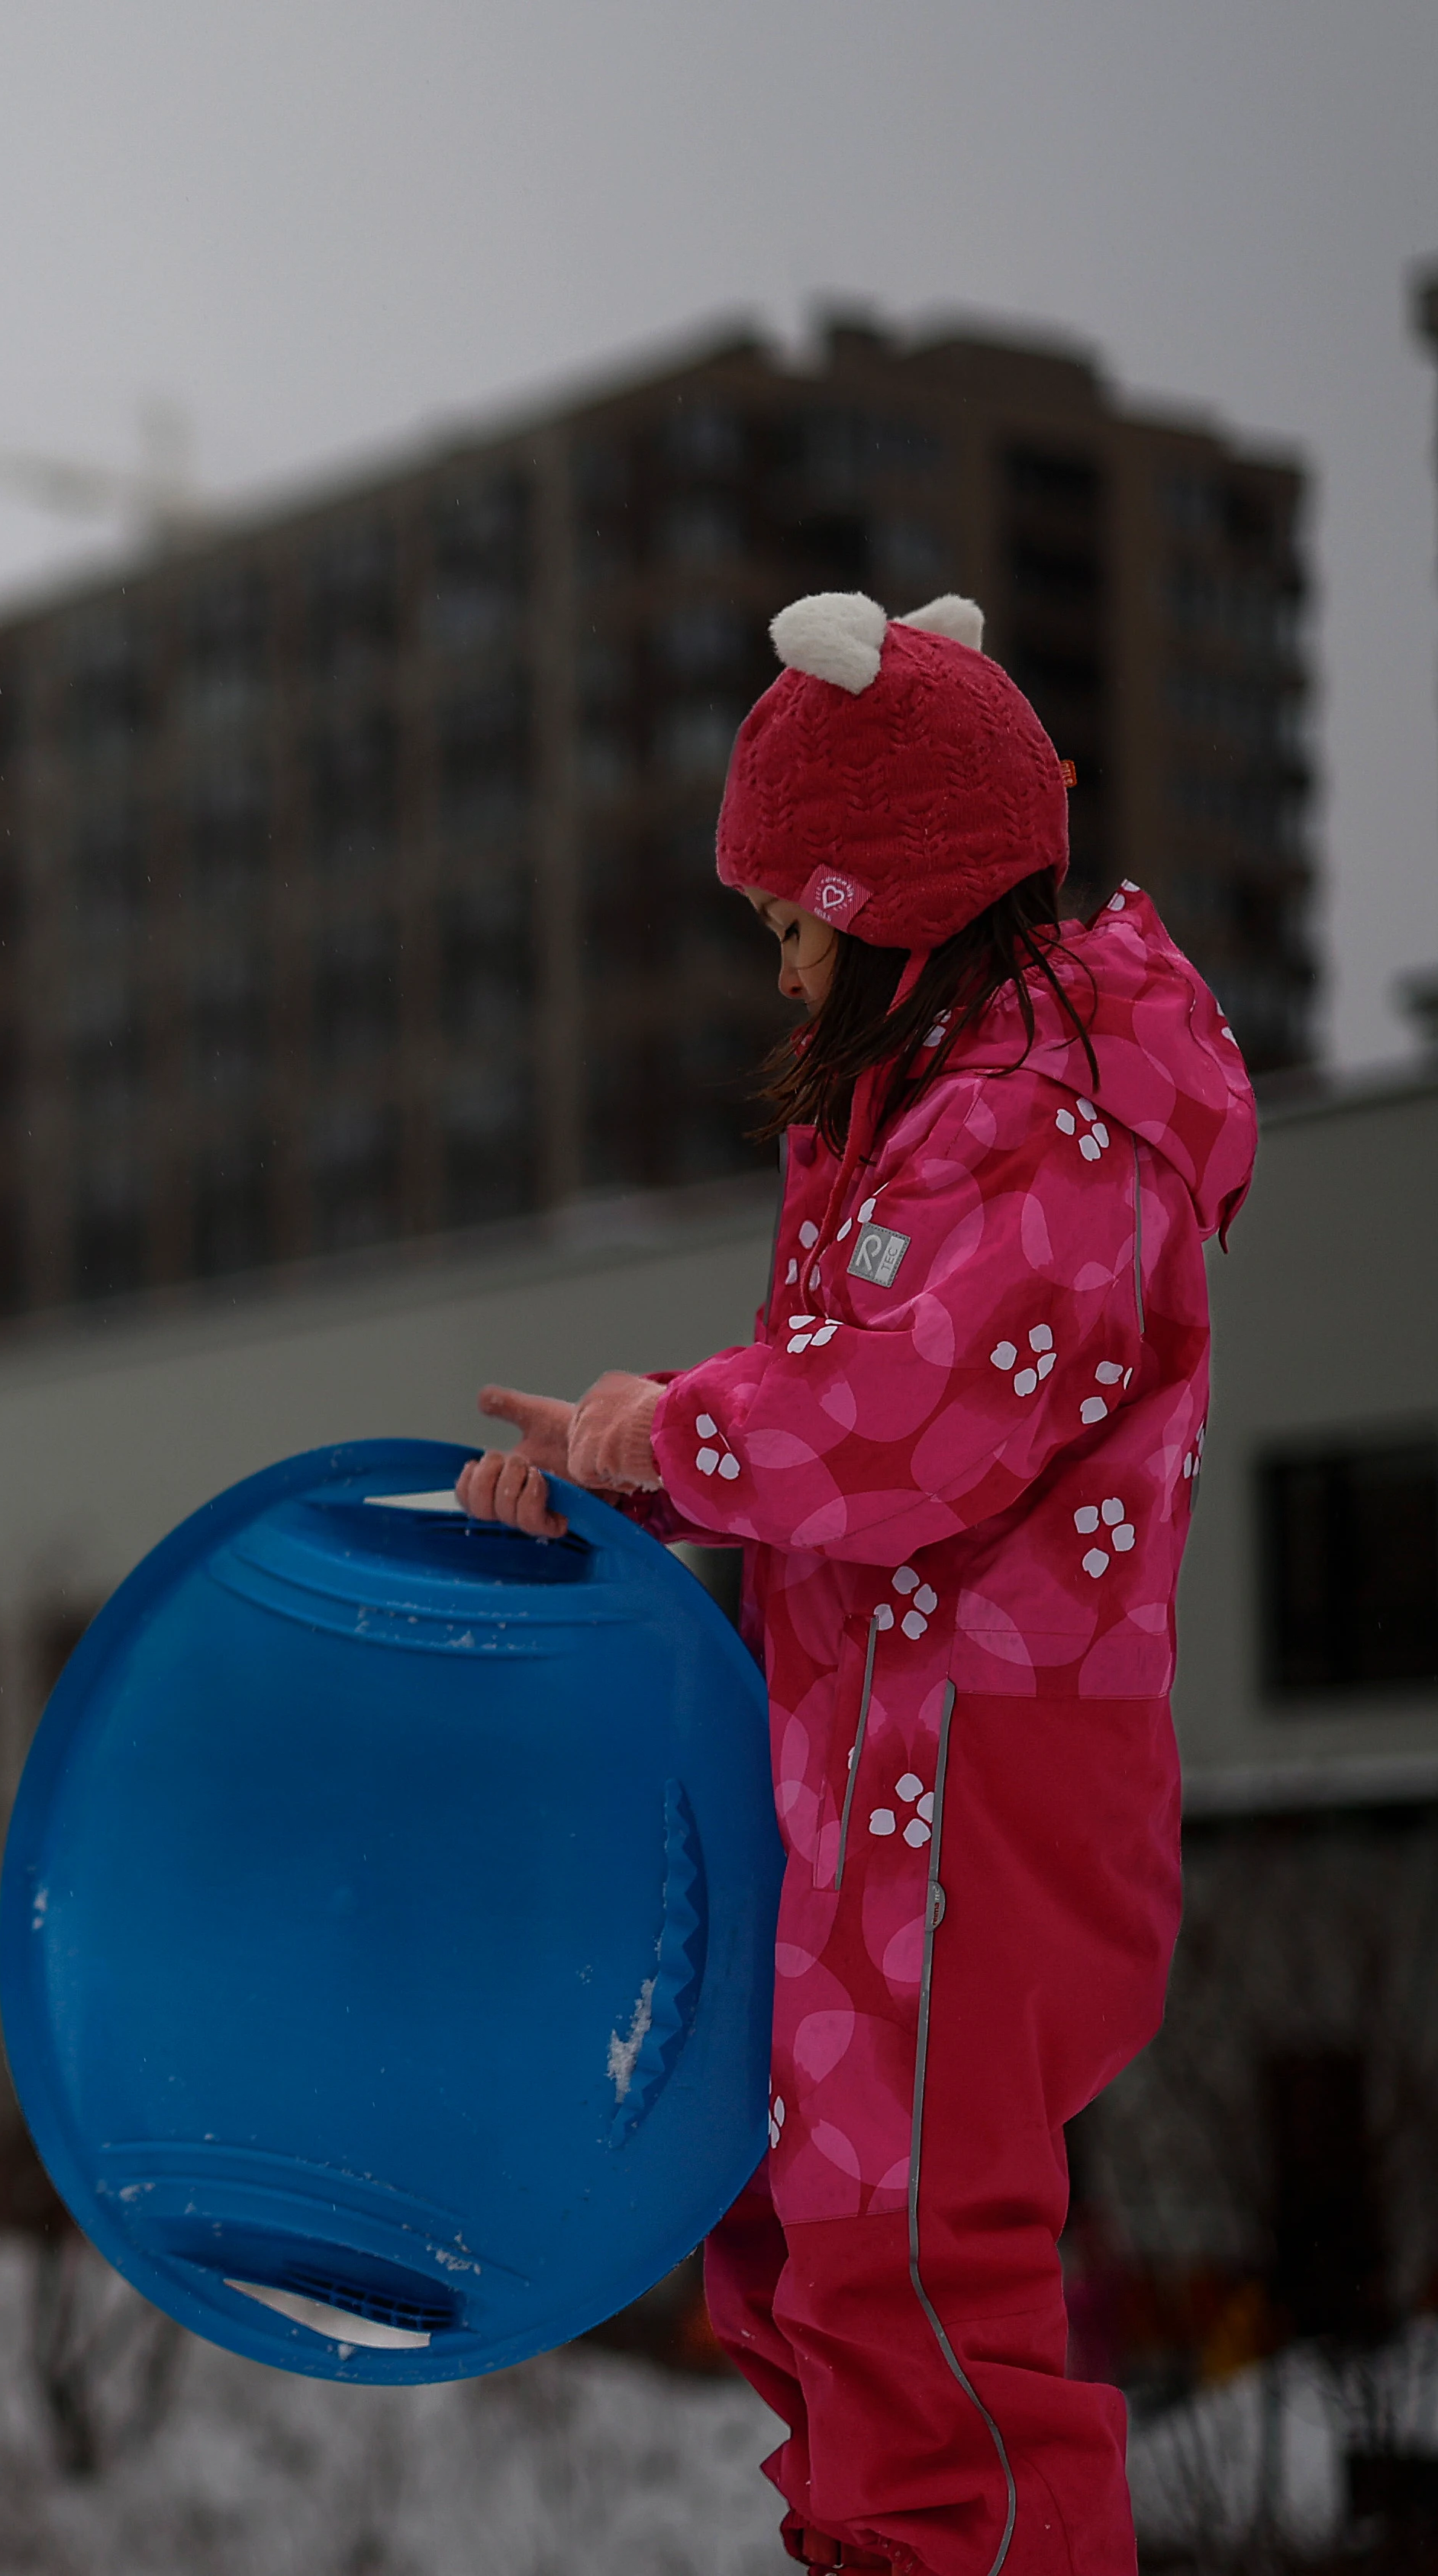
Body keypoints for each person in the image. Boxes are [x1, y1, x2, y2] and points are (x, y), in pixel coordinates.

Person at [456, 592, 1254, 2576]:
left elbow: (903, 1426)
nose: (789, 972)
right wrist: (623, 1490)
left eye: (794, 925)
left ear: (891, 898)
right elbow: (849, 1443)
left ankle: (956, 2546)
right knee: (803, 2217)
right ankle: (875, 2539)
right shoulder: (936, 1116)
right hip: (875, 1755)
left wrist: (663, 1435)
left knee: (912, 2236)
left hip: (986, 1769)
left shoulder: (1048, 1122)